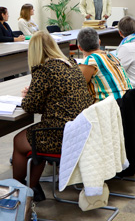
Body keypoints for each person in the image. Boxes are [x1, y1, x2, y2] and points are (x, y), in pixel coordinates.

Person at [12, 31, 95, 202]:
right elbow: (60, 96)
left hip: (61, 133)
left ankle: (17, 191)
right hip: (79, 129)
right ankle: (32, 188)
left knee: (20, 141)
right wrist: (38, 93)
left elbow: (30, 106)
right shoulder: (71, 64)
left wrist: (29, 96)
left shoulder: (44, 69)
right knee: (37, 137)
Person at [77, 27, 132, 100]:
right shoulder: (112, 56)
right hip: (129, 103)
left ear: (80, 48)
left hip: (112, 107)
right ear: (99, 42)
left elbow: (77, 87)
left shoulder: (89, 62)